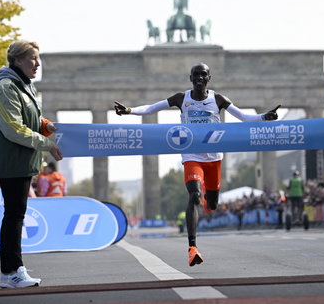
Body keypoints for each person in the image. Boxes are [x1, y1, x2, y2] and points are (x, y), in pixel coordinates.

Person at [114, 62, 279, 266]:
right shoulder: (181, 98)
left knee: (212, 203)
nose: (199, 78)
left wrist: (264, 117)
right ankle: (192, 247)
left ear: (209, 78)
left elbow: (244, 117)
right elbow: (151, 108)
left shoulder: (218, 99)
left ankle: (205, 202)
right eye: (196, 75)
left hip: (213, 159)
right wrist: (129, 110)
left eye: (203, 75)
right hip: (191, 156)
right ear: (190, 78)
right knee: (194, 194)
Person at [0, 40, 63, 287]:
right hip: (12, 160)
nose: (38, 64)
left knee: (16, 215)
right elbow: (13, 127)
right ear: (17, 60)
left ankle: (14, 269)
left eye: (38, 58)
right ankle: (10, 272)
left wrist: (45, 124)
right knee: (13, 216)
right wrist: (46, 143)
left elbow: (30, 118)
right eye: (32, 58)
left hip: (21, 160)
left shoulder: (23, 87)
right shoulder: (7, 86)